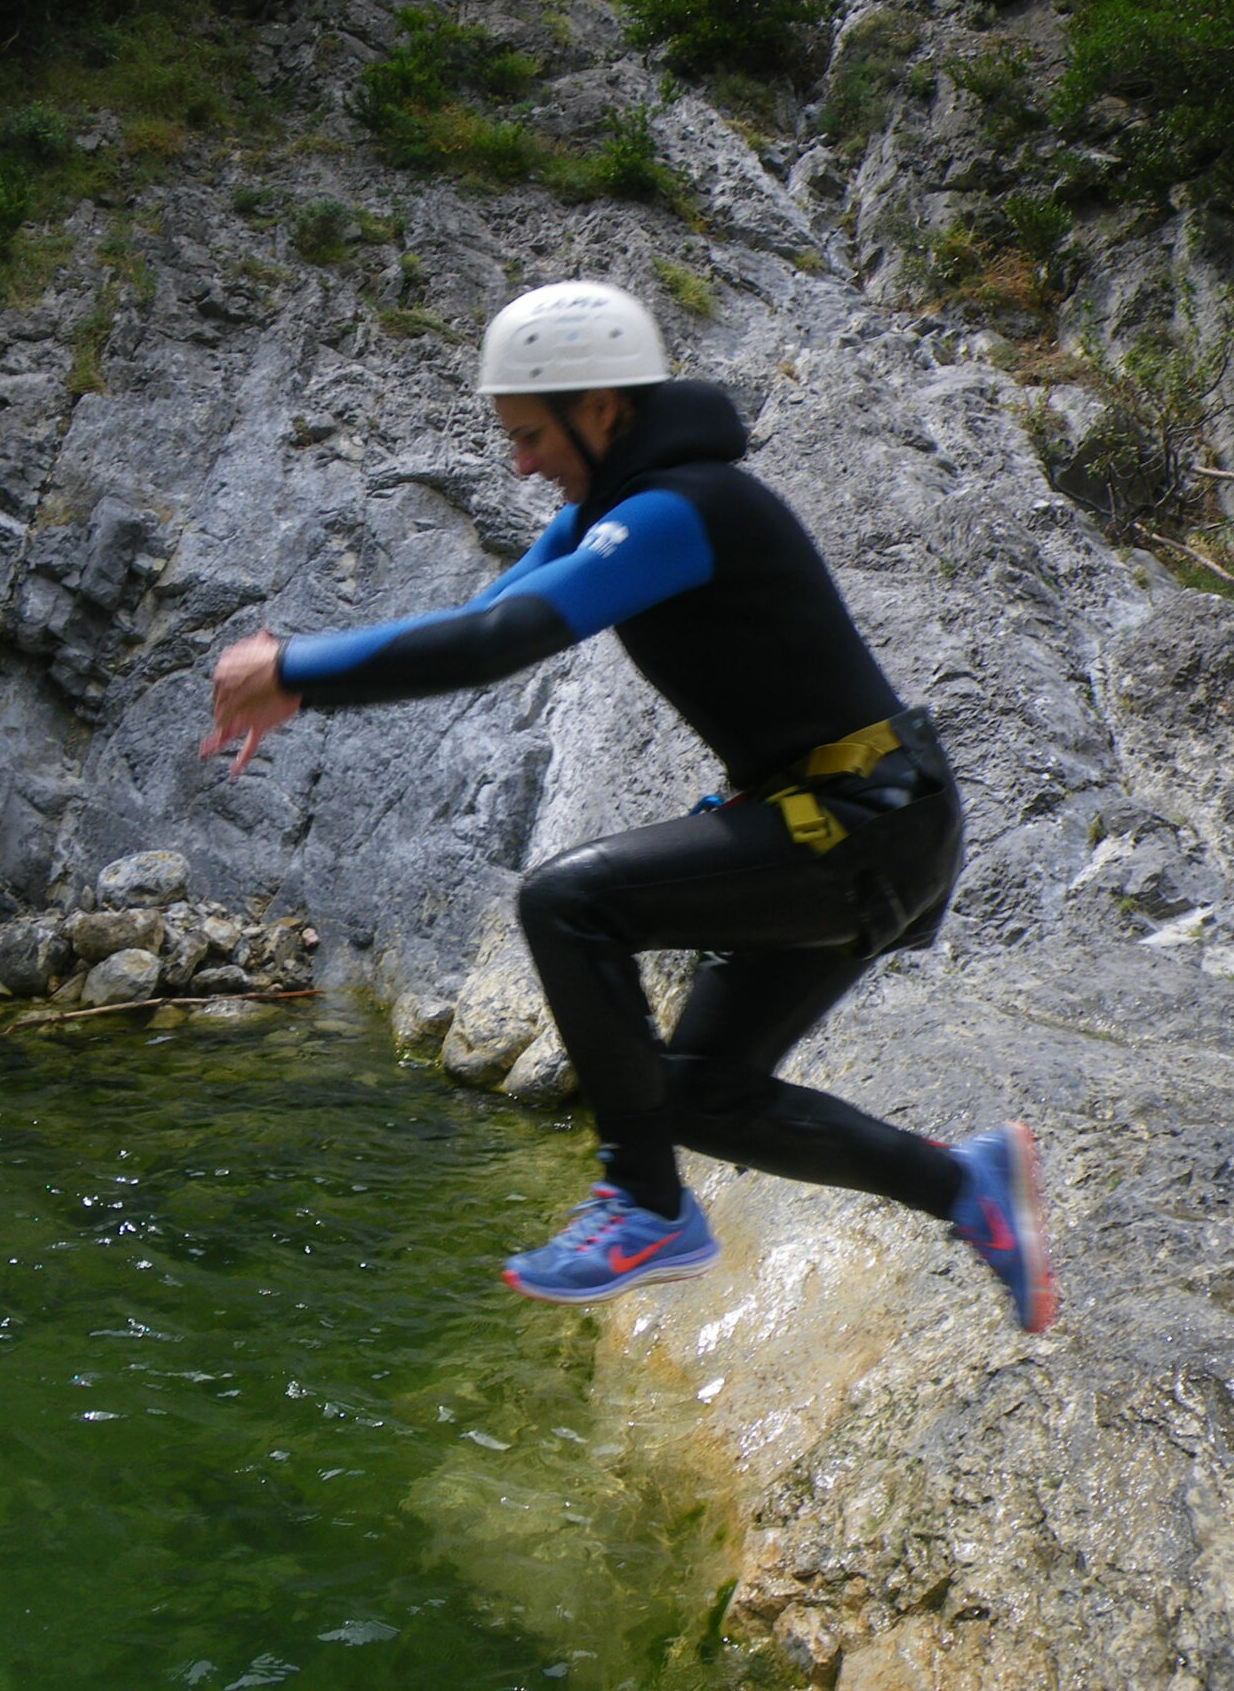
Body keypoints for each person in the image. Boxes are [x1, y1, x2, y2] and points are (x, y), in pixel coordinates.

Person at [202, 281, 1054, 1332]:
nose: (519, 461)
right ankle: (966, 1186)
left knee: (567, 903)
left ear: (601, 408)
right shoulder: (608, 515)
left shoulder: (683, 511)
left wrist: (294, 665)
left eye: (529, 434)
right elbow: (482, 622)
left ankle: (643, 1204)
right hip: (856, 822)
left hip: (859, 824)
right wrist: (304, 677)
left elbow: (494, 644)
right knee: (696, 1092)